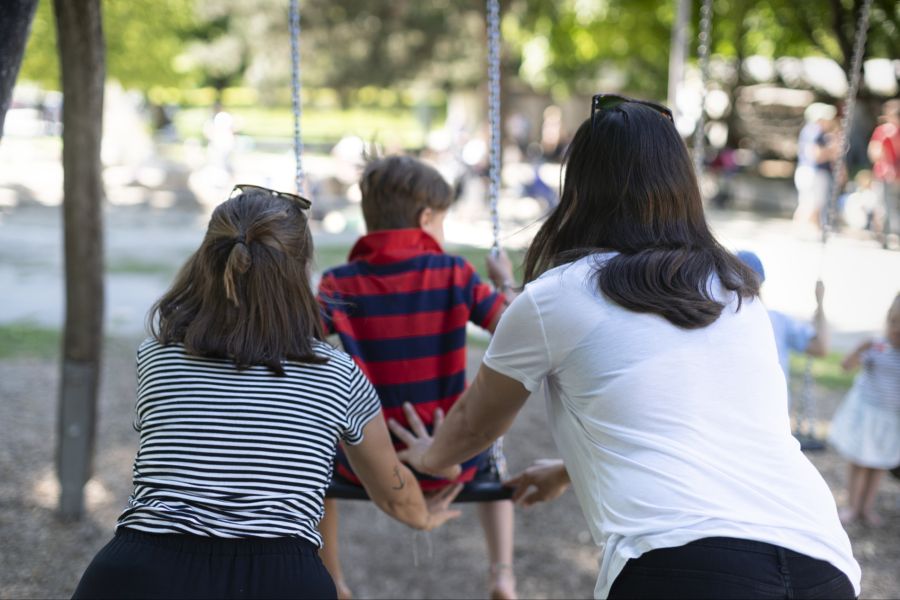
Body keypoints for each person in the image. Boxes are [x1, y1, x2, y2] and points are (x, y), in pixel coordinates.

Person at [391, 94, 860, 599]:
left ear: (581, 186)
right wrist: (570, 470)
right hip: (820, 558)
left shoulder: (557, 295)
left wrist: (432, 457)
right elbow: (698, 418)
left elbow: (475, 424)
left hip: (681, 564)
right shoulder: (734, 287)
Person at [72, 186, 462, 600]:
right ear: (299, 274)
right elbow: (391, 488)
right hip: (280, 577)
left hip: (140, 571)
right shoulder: (337, 374)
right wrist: (422, 515)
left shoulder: (158, 356)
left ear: (208, 260)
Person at [317, 155, 518, 600]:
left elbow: (297, 338)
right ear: (426, 218)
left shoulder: (339, 283)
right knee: (493, 453)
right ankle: (502, 572)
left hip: (367, 464)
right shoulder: (454, 273)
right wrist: (504, 284)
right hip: (453, 452)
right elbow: (512, 329)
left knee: (317, 468)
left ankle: (332, 577)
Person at [828, 293, 900, 526]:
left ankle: (866, 507)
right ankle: (852, 506)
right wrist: (859, 349)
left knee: (878, 465)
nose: (896, 329)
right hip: (867, 414)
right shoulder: (878, 347)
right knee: (859, 462)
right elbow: (846, 366)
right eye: (893, 321)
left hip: (890, 419)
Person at [735, 250, 828, 409]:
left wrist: (820, 306)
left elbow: (820, 348)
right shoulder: (777, 321)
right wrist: (820, 305)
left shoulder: (777, 321)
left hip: (763, 410)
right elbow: (820, 348)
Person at [794, 103, 838, 232]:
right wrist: (831, 151)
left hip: (808, 171)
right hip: (814, 172)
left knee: (808, 203)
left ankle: (806, 230)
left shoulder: (811, 131)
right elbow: (816, 155)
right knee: (812, 204)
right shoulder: (815, 131)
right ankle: (808, 231)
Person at [868, 100, 900, 247]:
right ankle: (882, 237)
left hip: (896, 176)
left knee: (892, 207)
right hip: (884, 176)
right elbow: (874, 152)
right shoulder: (883, 132)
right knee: (883, 207)